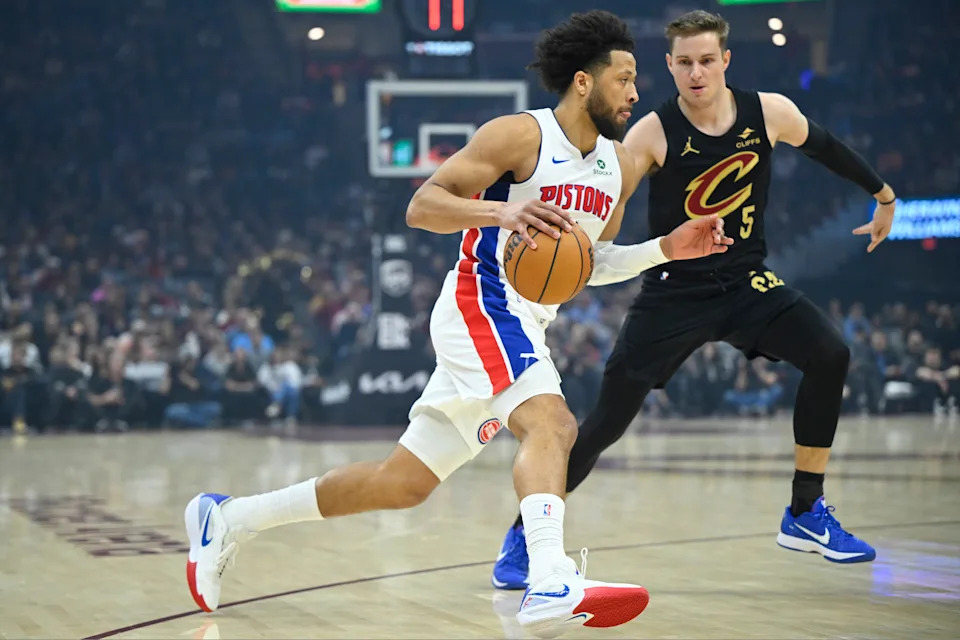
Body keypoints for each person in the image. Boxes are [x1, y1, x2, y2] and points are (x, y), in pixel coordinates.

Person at [183, 11, 731, 637]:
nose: (636, 93)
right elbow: (422, 207)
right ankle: (549, 576)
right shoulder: (520, 137)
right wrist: (503, 212)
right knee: (553, 422)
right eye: (625, 78)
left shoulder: (617, 168)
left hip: (526, 323)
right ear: (583, 81)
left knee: (402, 484)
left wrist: (667, 248)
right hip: (482, 303)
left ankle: (228, 518)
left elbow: (585, 264)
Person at [491, 9, 896, 590]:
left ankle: (805, 510)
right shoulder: (651, 133)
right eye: (684, 63)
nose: (697, 72)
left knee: (831, 352)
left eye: (707, 60)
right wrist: (574, 255)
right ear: (670, 66)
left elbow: (826, 146)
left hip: (746, 284)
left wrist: (881, 194)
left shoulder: (769, 112)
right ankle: (524, 535)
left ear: (726, 60)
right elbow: (607, 209)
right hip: (673, 292)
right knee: (603, 423)